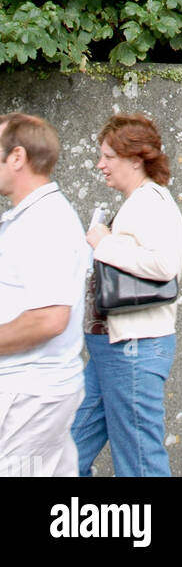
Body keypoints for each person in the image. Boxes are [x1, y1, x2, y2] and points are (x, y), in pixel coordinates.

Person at [71, 113, 182, 478]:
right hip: (115, 350)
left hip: (133, 351)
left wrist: (104, 244)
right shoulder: (137, 201)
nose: (100, 165)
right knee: (66, 453)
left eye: (108, 156)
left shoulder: (151, 201)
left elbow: (164, 265)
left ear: (136, 159)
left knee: (140, 464)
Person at [0, 112, 88, 477]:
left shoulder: (44, 222)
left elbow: (50, 317)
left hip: (30, 396)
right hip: (35, 394)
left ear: (17, 157)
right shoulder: (31, 217)